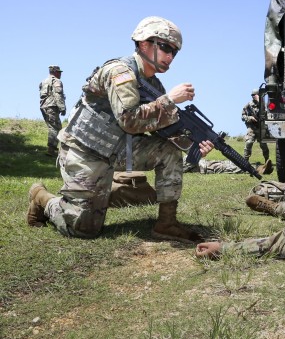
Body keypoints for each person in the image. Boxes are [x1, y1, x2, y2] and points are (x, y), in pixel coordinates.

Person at [27, 16, 215, 243]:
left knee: (168, 151)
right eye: (165, 47)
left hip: (117, 149)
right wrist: (170, 100)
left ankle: (167, 224)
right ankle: (42, 198)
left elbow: (163, 131)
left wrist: (193, 146)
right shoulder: (120, 72)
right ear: (144, 44)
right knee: (83, 229)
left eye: (174, 52)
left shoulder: (154, 85)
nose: (170, 56)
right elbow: (130, 120)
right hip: (85, 151)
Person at [38, 65, 67, 157]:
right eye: (59, 72)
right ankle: (51, 150)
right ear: (55, 72)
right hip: (52, 107)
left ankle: (53, 148)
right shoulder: (57, 81)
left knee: (55, 127)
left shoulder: (43, 81)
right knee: (55, 128)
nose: (60, 74)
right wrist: (62, 107)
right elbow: (58, 95)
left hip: (44, 107)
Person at [241, 90, 269, 163]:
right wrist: (250, 118)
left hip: (261, 128)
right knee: (249, 143)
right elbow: (242, 116)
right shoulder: (248, 105)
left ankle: (267, 160)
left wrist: (260, 101)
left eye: (255, 95)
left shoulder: (263, 104)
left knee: (263, 145)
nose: (253, 96)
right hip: (252, 128)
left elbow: (267, 112)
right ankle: (245, 161)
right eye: (252, 95)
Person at [183, 156, 273, 175]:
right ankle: (258, 170)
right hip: (206, 168)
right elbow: (186, 165)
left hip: (206, 163)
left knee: (231, 163)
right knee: (230, 167)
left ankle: (259, 167)